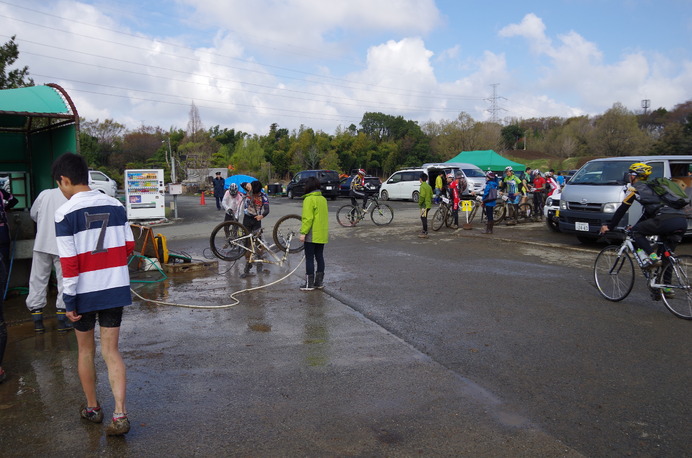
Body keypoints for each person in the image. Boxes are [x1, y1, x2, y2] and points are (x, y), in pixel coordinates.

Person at [52, 153, 134, 436]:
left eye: (59, 185)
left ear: (64, 180)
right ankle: (120, 414)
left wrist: (68, 300)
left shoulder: (64, 214)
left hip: (83, 294)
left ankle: (92, 408)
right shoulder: (115, 204)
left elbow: (69, 264)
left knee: (85, 351)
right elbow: (128, 246)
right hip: (114, 288)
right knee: (112, 351)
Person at [600, 162, 688, 268]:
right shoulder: (656, 189)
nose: (628, 177)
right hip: (681, 221)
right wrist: (638, 224)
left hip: (665, 220)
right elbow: (648, 213)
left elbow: (622, 209)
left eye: (629, 174)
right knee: (666, 257)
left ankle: (653, 257)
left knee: (635, 232)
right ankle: (666, 284)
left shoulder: (635, 189)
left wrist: (609, 226)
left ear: (633, 176)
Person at [25, 187, 71, 333]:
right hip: (62, 246)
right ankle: (62, 322)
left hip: (42, 243)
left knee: (37, 279)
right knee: (64, 281)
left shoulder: (44, 194)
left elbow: (33, 214)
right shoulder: (71, 195)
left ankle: (37, 322)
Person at [298, 176, 328, 291]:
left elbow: (307, 218)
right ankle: (318, 282)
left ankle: (309, 284)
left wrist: (303, 233)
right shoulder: (323, 199)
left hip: (312, 234)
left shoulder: (309, 199)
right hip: (322, 233)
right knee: (319, 257)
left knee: (309, 258)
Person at [240, 180, 270, 278]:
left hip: (257, 221)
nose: (256, 194)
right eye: (254, 192)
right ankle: (247, 269)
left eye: (257, 193)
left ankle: (259, 268)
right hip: (247, 220)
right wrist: (247, 185)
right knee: (247, 244)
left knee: (258, 245)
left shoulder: (263, 196)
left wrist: (262, 216)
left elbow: (267, 209)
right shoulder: (248, 191)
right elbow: (241, 184)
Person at [418, 173, 432, 238]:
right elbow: (431, 195)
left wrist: (419, 203)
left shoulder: (422, 186)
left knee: (423, 218)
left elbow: (422, 196)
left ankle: (425, 231)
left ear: (421, 179)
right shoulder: (429, 186)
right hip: (428, 204)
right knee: (424, 217)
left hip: (424, 205)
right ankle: (425, 230)